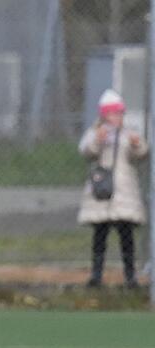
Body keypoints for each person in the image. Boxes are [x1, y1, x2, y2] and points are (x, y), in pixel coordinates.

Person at [78, 89, 148, 288]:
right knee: (100, 234)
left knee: (126, 236)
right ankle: (96, 275)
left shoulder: (128, 134)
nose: (117, 117)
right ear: (104, 115)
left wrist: (137, 145)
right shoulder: (95, 133)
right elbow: (86, 151)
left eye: (119, 113)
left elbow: (141, 154)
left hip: (124, 192)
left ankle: (130, 276)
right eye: (112, 113)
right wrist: (98, 140)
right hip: (101, 193)